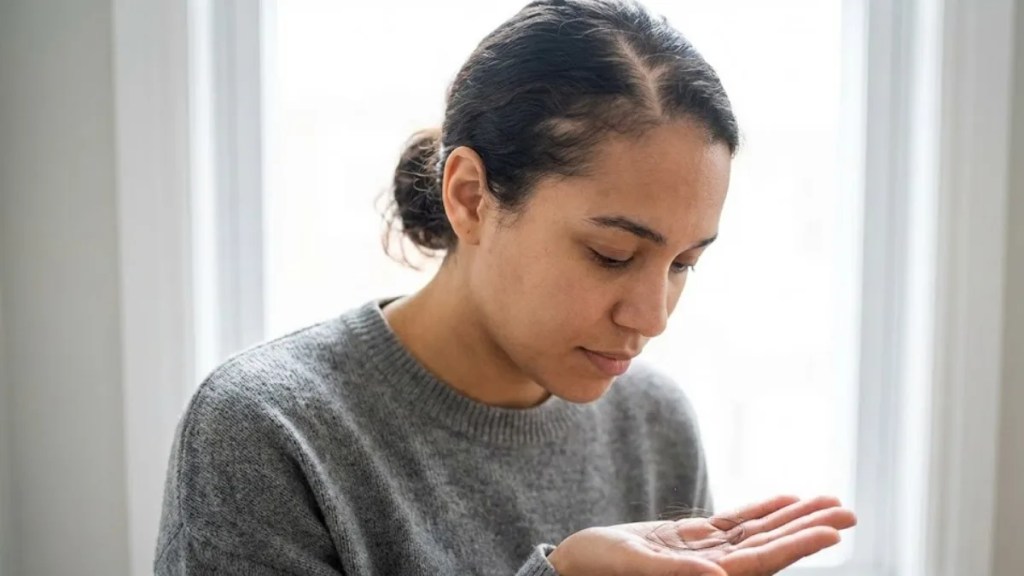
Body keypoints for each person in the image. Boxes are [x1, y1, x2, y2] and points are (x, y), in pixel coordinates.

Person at [154, 0, 857, 574]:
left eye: (683, 264)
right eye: (612, 254)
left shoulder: (655, 425)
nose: (653, 316)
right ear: (469, 197)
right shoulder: (270, 429)